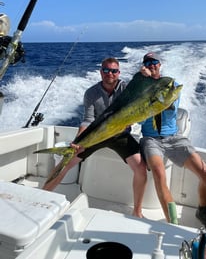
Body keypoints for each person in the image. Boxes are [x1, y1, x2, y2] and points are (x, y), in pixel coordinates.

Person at [43, 57, 147, 218]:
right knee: (64, 164)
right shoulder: (91, 93)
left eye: (113, 71)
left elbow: (142, 94)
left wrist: (144, 76)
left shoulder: (127, 88)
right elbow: (88, 119)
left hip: (120, 135)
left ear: (119, 73)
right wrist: (78, 141)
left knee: (141, 168)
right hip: (97, 135)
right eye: (106, 70)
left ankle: (137, 211)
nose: (109, 74)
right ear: (100, 72)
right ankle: (42, 195)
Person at [139, 52, 206, 231]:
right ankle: (173, 224)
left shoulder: (170, 84)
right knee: (159, 174)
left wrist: (150, 82)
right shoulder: (140, 86)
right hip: (151, 139)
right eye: (147, 62)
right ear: (144, 66)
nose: (151, 65)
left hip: (174, 138)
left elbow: (166, 105)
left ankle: (203, 211)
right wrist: (142, 80)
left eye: (154, 62)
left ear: (160, 64)